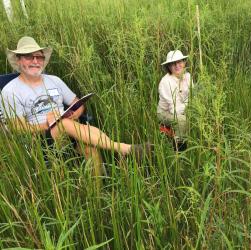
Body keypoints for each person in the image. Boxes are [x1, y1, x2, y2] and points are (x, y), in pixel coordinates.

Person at [1, 36, 151, 172]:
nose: (35, 61)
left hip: (69, 128)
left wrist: (75, 114)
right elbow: (16, 128)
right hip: (40, 141)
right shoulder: (10, 91)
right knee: (64, 124)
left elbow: (77, 103)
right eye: (29, 57)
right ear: (18, 60)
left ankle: (98, 194)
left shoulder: (54, 80)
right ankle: (125, 149)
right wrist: (47, 124)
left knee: (89, 148)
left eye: (39, 57)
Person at [157, 50, 192, 150]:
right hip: (165, 112)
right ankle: (179, 149)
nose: (177, 65)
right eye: (173, 64)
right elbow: (174, 110)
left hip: (183, 108)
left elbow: (192, 97)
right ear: (168, 67)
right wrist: (189, 107)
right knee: (182, 120)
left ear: (184, 62)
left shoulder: (188, 77)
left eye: (179, 62)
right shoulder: (166, 82)